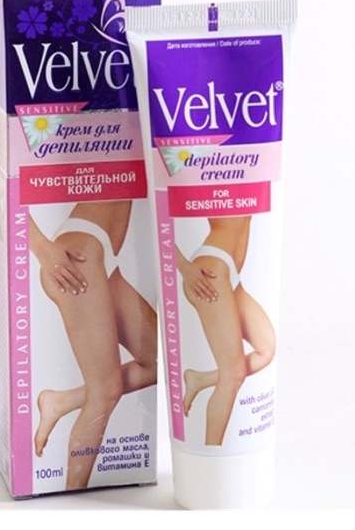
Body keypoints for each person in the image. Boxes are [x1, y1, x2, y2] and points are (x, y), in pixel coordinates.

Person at [29, 200, 157, 490]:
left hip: (102, 256)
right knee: (104, 393)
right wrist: (43, 249)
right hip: (77, 255)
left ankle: (60, 401)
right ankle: (76, 500)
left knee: (157, 361)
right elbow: (5, 198)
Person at [177, 215, 275, 445]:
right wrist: (184, 268)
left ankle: (200, 379)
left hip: (230, 273)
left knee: (266, 349)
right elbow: (160, 225)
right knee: (232, 375)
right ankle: (211, 453)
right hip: (210, 270)